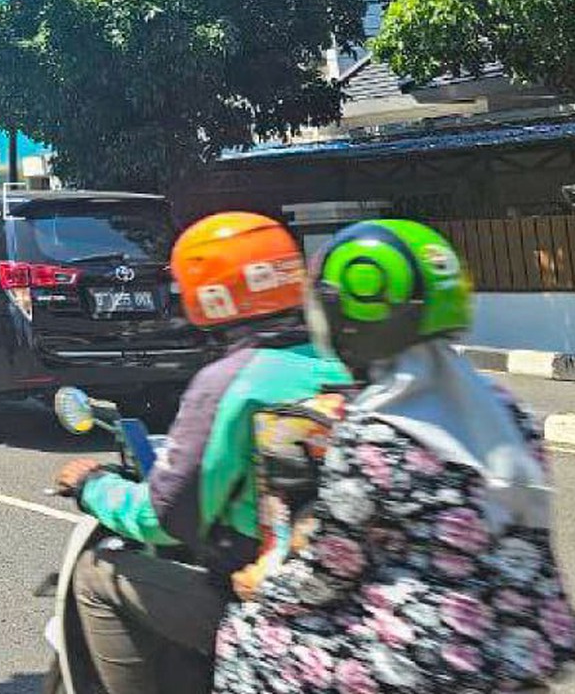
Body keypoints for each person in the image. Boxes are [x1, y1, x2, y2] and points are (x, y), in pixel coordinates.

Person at [215, 220, 575, 694]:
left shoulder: (376, 431)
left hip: (432, 663)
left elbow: (330, 568)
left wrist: (260, 588)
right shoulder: (508, 410)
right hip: (532, 645)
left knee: (245, 635)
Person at [53, 212, 354, 694]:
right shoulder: (341, 362)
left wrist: (95, 486)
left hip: (257, 596)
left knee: (94, 576)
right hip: (343, 592)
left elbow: (163, 516)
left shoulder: (228, 383)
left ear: (205, 295)